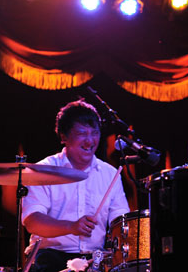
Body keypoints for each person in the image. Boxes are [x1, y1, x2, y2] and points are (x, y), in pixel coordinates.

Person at [22, 99, 130, 272]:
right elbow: (32, 222)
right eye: (82, 133)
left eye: (94, 133)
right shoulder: (44, 170)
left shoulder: (110, 174)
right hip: (50, 258)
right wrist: (71, 227)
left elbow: (122, 222)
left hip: (93, 261)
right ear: (64, 136)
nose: (90, 141)